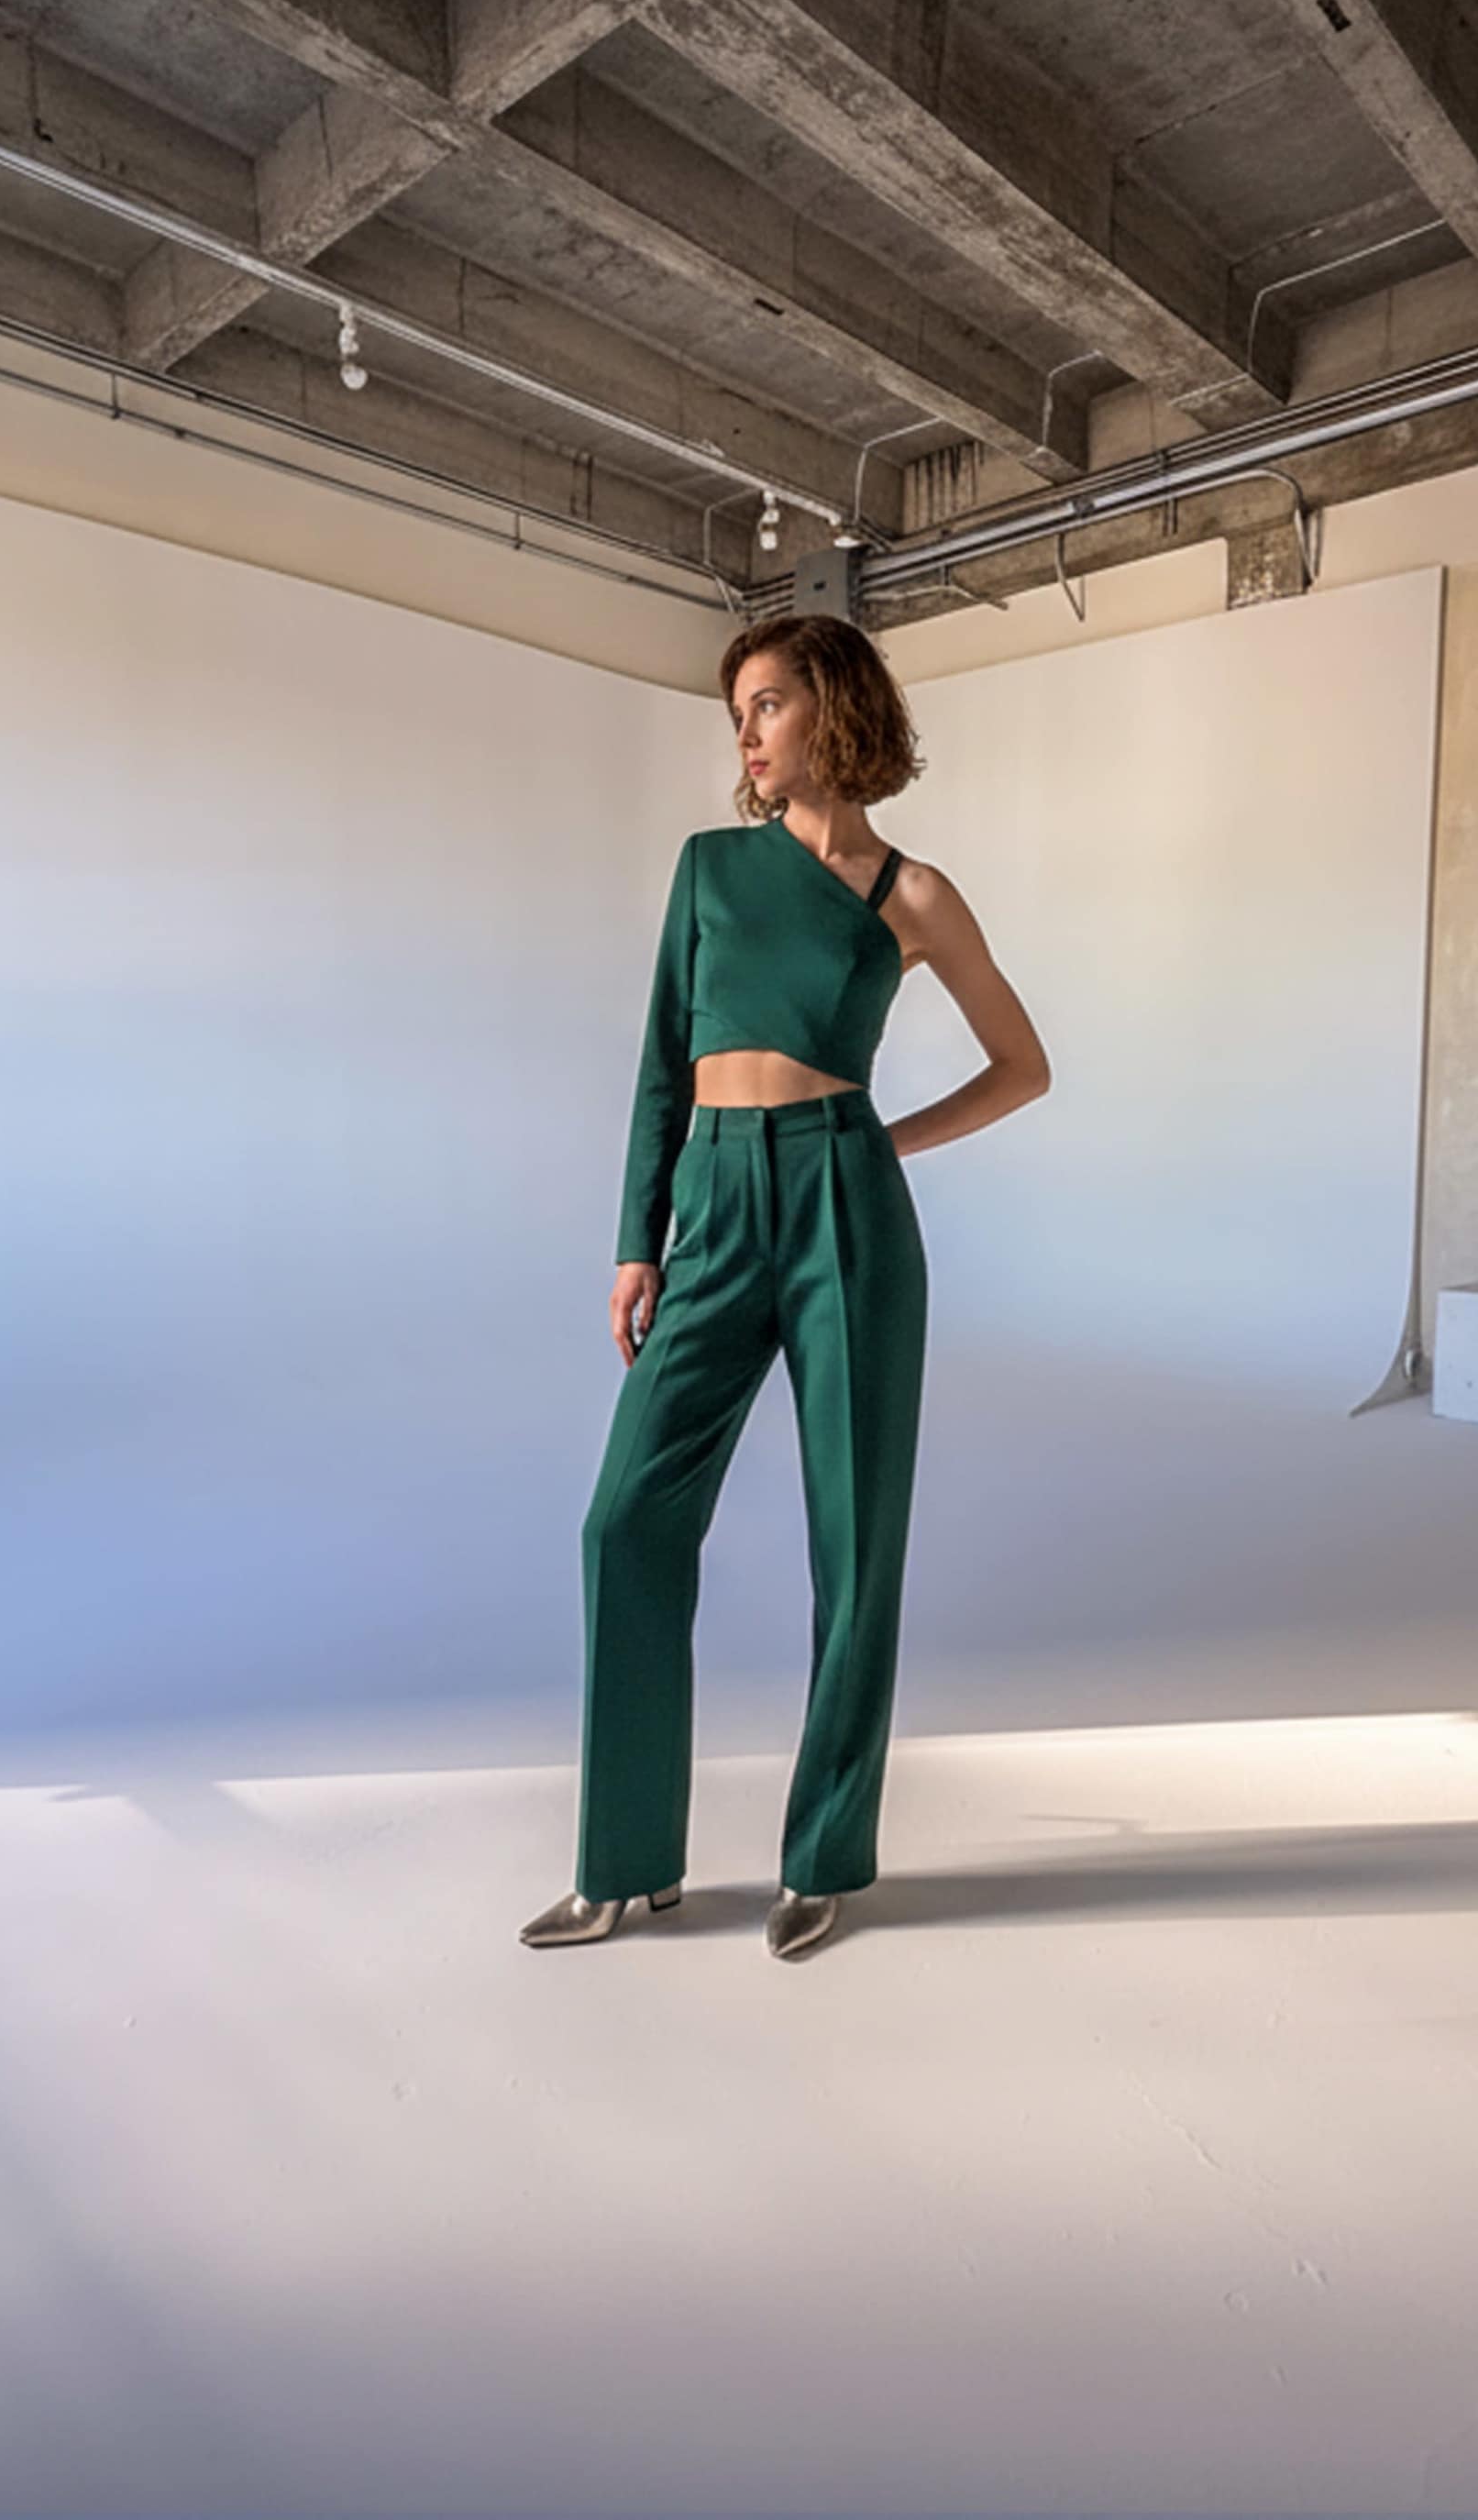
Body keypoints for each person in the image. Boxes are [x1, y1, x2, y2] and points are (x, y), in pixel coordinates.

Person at [522, 613, 1051, 1961]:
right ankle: (623, 1861)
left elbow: (1022, 1066)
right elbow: (663, 1060)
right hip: (712, 1200)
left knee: (855, 1541)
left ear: (833, 705)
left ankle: (824, 1857)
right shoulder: (710, 869)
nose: (747, 735)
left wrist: (879, 1144)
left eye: (766, 704)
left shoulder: (911, 896)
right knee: (626, 1522)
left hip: (844, 1210)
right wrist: (638, 1240)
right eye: (738, 714)